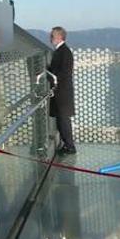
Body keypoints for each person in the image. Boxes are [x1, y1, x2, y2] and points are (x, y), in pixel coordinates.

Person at [48, 26, 76, 154]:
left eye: (52, 36)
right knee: (62, 119)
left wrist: (49, 73)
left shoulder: (63, 52)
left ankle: (69, 146)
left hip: (62, 93)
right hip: (62, 92)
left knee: (64, 120)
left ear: (59, 37)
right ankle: (67, 144)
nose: (50, 38)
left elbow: (62, 72)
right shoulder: (62, 51)